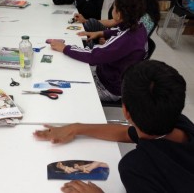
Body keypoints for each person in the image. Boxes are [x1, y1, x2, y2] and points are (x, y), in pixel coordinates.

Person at [34, 60, 194, 193]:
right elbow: (127, 133)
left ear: (125, 111)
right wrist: (75, 128)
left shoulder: (137, 167)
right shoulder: (181, 123)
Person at [50, 0, 147, 101]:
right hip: (112, 76)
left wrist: (65, 48)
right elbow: (119, 31)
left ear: (119, 14)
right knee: (70, 69)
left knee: (66, 90)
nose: (112, 9)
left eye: (114, 7)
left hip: (107, 87)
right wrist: (101, 33)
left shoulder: (126, 39)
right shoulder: (138, 26)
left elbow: (93, 56)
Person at [75, 0, 160, 45]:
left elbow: (129, 41)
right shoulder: (135, 8)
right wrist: (85, 20)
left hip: (119, 44)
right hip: (115, 36)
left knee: (87, 43)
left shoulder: (146, 20)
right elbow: (114, 22)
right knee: (91, 23)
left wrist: (109, 42)